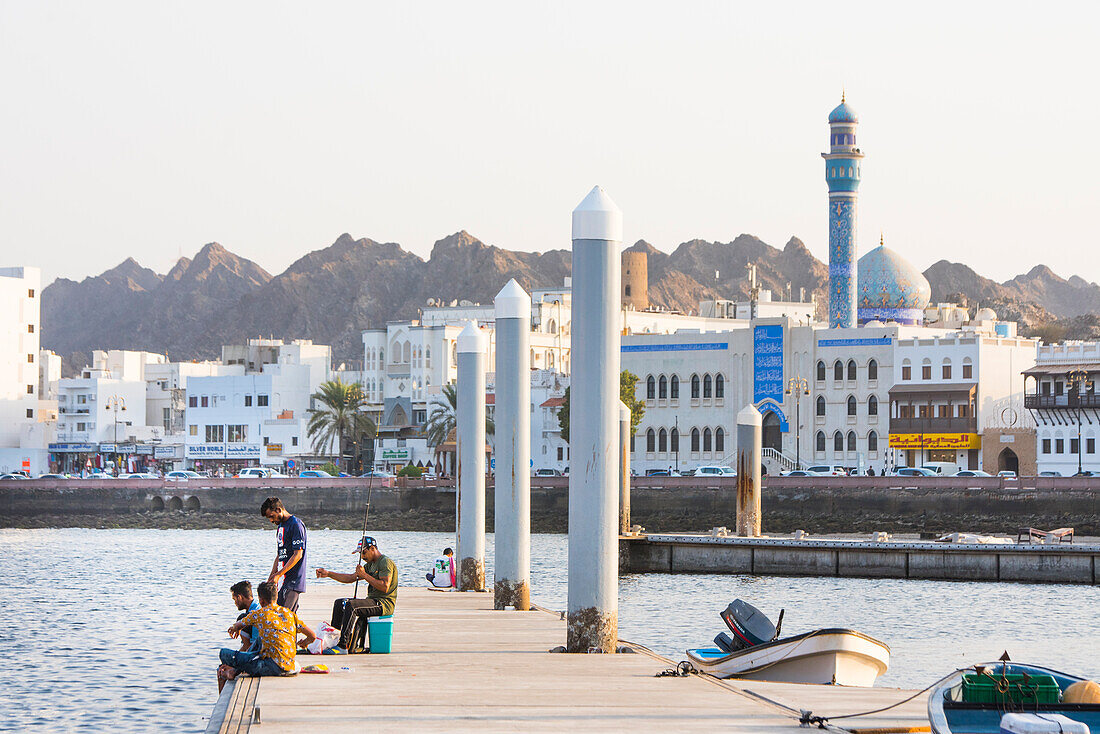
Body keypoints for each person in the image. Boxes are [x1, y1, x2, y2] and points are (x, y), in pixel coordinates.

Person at [217, 581, 317, 692]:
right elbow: (312, 636)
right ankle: (234, 671)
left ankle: (232, 673)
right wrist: (304, 643)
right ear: (276, 597)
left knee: (224, 653)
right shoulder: (289, 614)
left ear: (261, 600)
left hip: (271, 666)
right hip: (290, 665)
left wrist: (236, 628)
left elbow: (238, 624)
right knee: (260, 640)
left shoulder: (260, 613)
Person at [316, 535, 398, 618]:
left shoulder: (385, 562)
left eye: (364, 552)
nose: (362, 557)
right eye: (360, 554)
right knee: (339, 603)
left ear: (373, 548)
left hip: (384, 604)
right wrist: (329, 574)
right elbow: (350, 577)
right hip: (372, 601)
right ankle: (335, 630)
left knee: (352, 606)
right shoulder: (369, 565)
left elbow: (385, 587)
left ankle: (346, 632)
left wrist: (364, 575)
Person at [260, 497, 307, 612]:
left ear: (278, 510)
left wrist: (279, 574)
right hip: (282, 581)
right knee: (281, 617)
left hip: (293, 582)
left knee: (284, 619)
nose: (271, 520)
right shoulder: (281, 526)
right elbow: (280, 554)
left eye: (271, 516)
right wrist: (272, 575)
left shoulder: (296, 525)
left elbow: (298, 554)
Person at [230, 580, 261, 652]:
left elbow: (251, 646)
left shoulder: (252, 615)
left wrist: (235, 661)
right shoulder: (257, 605)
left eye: (234, 599)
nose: (235, 603)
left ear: (239, 597)